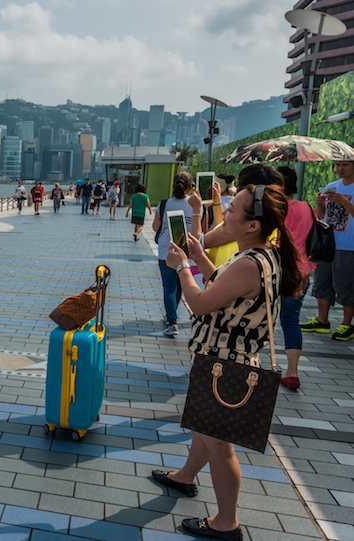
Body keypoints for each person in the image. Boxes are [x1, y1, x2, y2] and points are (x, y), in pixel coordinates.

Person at [152, 174, 302, 541]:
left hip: (226, 364)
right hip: (221, 358)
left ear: (252, 224)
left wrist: (183, 268)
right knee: (205, 430)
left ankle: (226, 523)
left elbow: (202, 302)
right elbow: (226, 285)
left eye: (231, 210)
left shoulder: (249, 262)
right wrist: (201, 257)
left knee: (219, 445)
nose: (225, 215)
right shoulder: (260, 254)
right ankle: (185, 476)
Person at [301, 160, 354, 341]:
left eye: (345, 165)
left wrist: (344, 202)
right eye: (338, 165)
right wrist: (320, 204)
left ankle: (346, 325)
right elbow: (322, 216)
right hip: (327, 244)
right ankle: (322, 320)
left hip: (349, 246)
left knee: (345, 285)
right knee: (322, 282)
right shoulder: (332, 186)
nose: (340, 169)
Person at [274, 166, 314, 390]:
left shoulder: (274, 209)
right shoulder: (307, 207)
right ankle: (292, 372)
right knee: (290, 321)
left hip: (276, 268)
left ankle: (260, 365)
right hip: (303, 270)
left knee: (262, 316)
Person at [152, 172, 194, 336]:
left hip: (166, 251)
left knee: (169, 287)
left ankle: (172, 321)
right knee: (179, 287)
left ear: (173, 186)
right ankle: (172, 316)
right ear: (191, 187)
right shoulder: (196, 205)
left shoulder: (163, 204)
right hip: (187, 252)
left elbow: (155, 228)